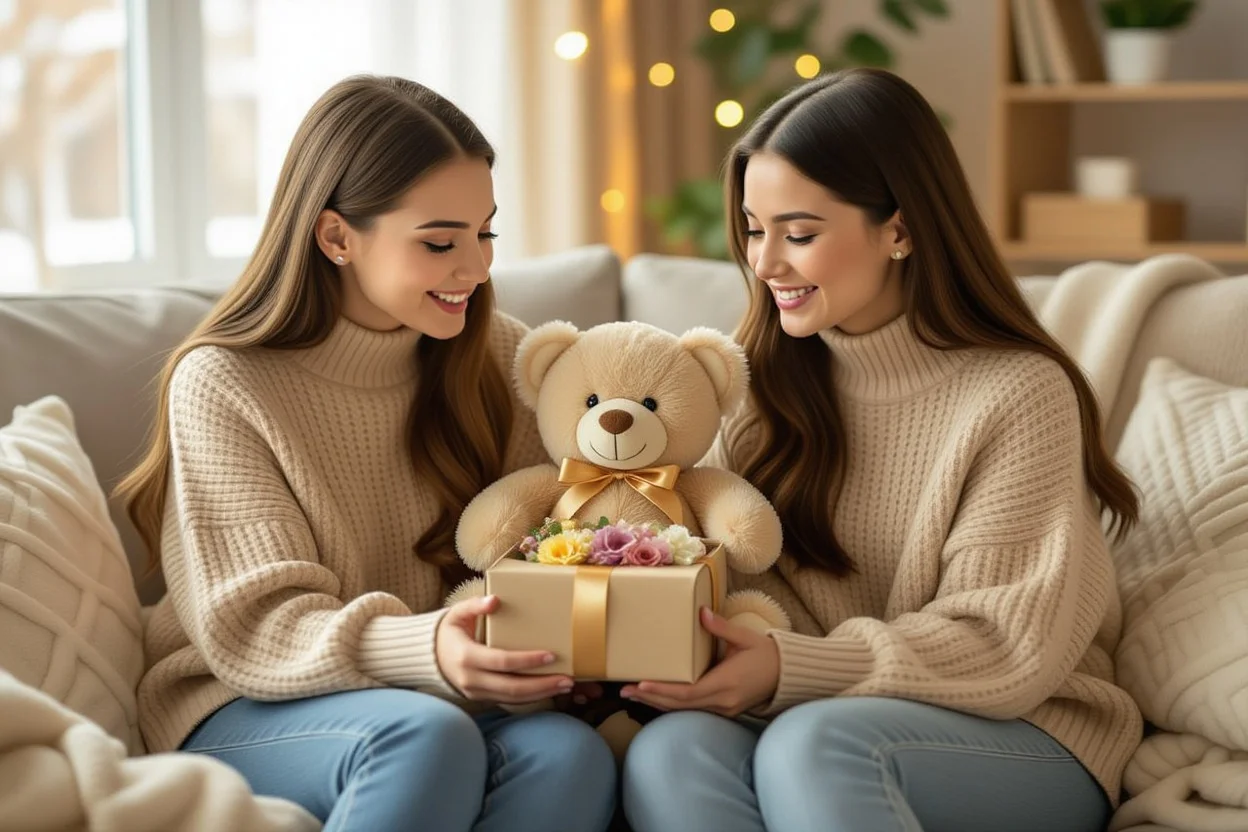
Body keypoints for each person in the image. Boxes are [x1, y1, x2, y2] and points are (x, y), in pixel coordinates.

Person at [621, 67, 1142, 832]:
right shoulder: (754, 387)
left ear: (899, 229)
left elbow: (1003, 645)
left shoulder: (1018, 392)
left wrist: (791, 668)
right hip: (811, 709)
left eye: (798, 234)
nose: (765, 265)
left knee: (816, 747)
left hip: (1029, 731)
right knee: (671, 750)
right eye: (754, 230)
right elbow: (736, 588)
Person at [120, 75, 616, 832]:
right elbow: (255, 627)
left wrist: (557, 657)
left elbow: (543, 546)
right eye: (440, 242)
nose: (476, 267)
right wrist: (429, 649)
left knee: (569, 753)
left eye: (486, 234)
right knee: (420, 738)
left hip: (438, 693)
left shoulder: (503, 357)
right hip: (247, 702)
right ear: (336, 237)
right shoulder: (224, 382)